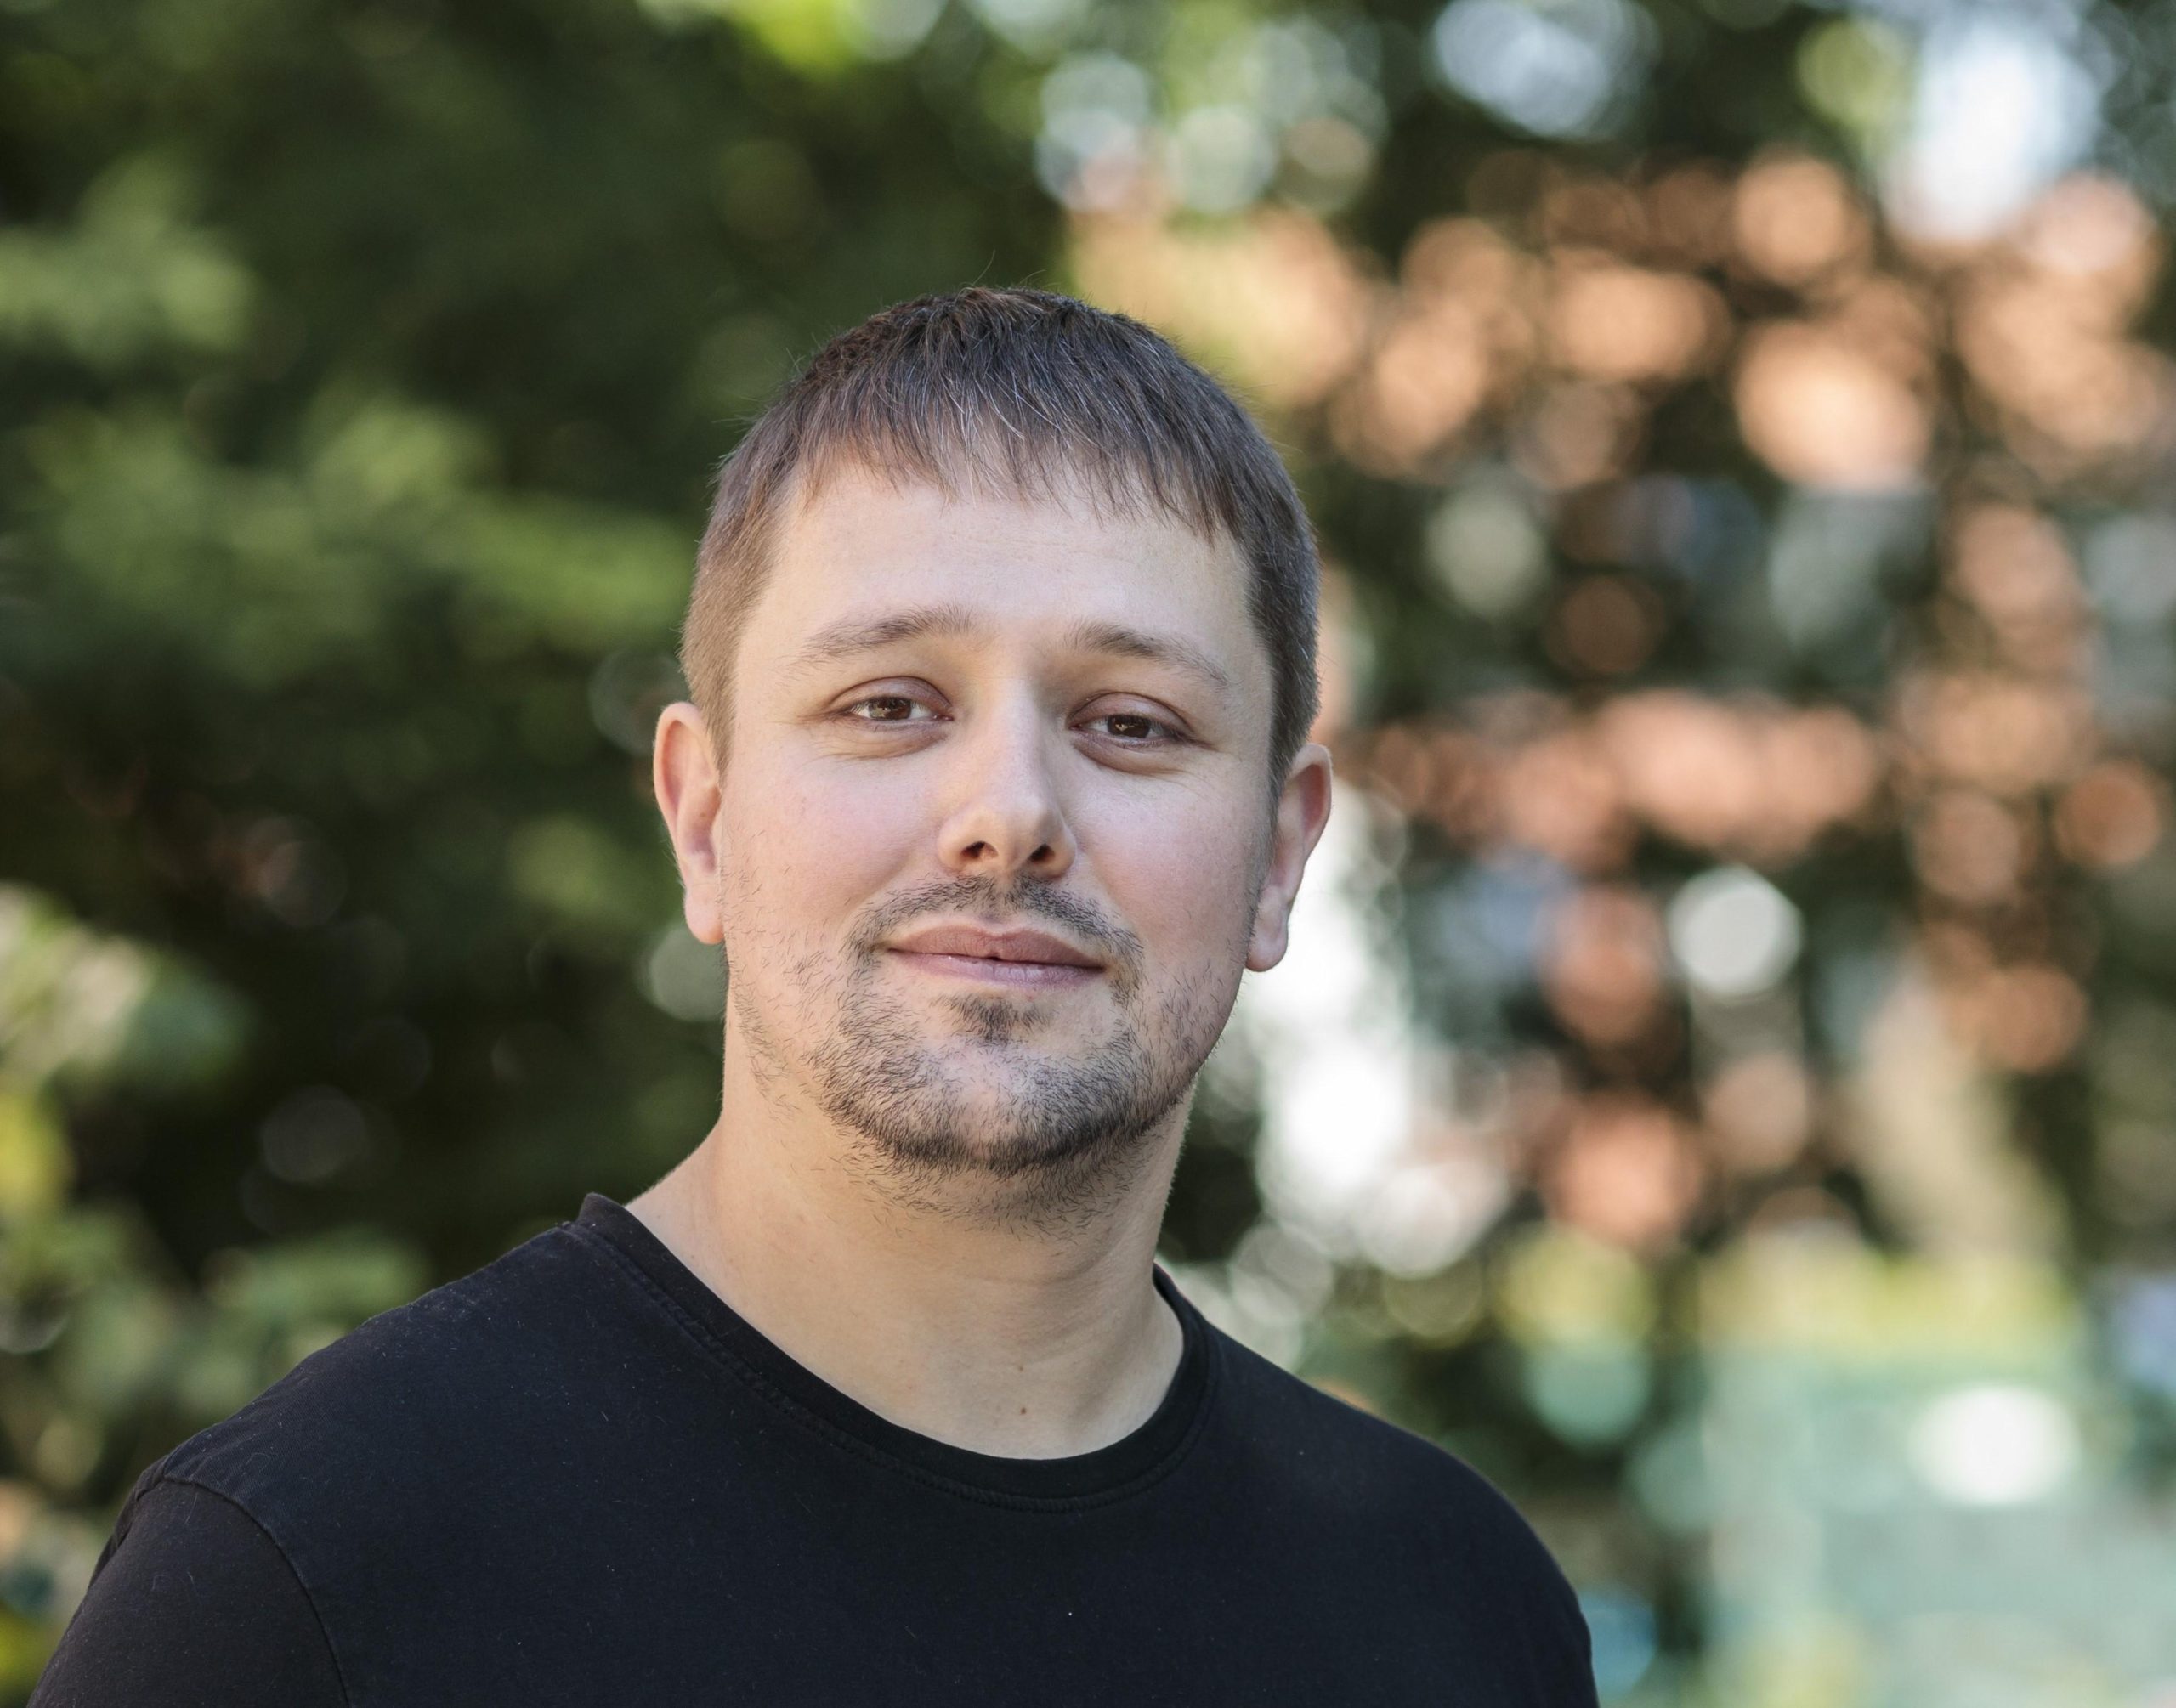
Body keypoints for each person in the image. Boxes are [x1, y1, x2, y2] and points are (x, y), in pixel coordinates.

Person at [33, 288, 1597, 1705]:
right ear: (703, 819)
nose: (1009, 812)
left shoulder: (1458, 1614)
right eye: (890, 704)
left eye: (1131, 722)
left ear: (1280, 851)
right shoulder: (309, 1582)